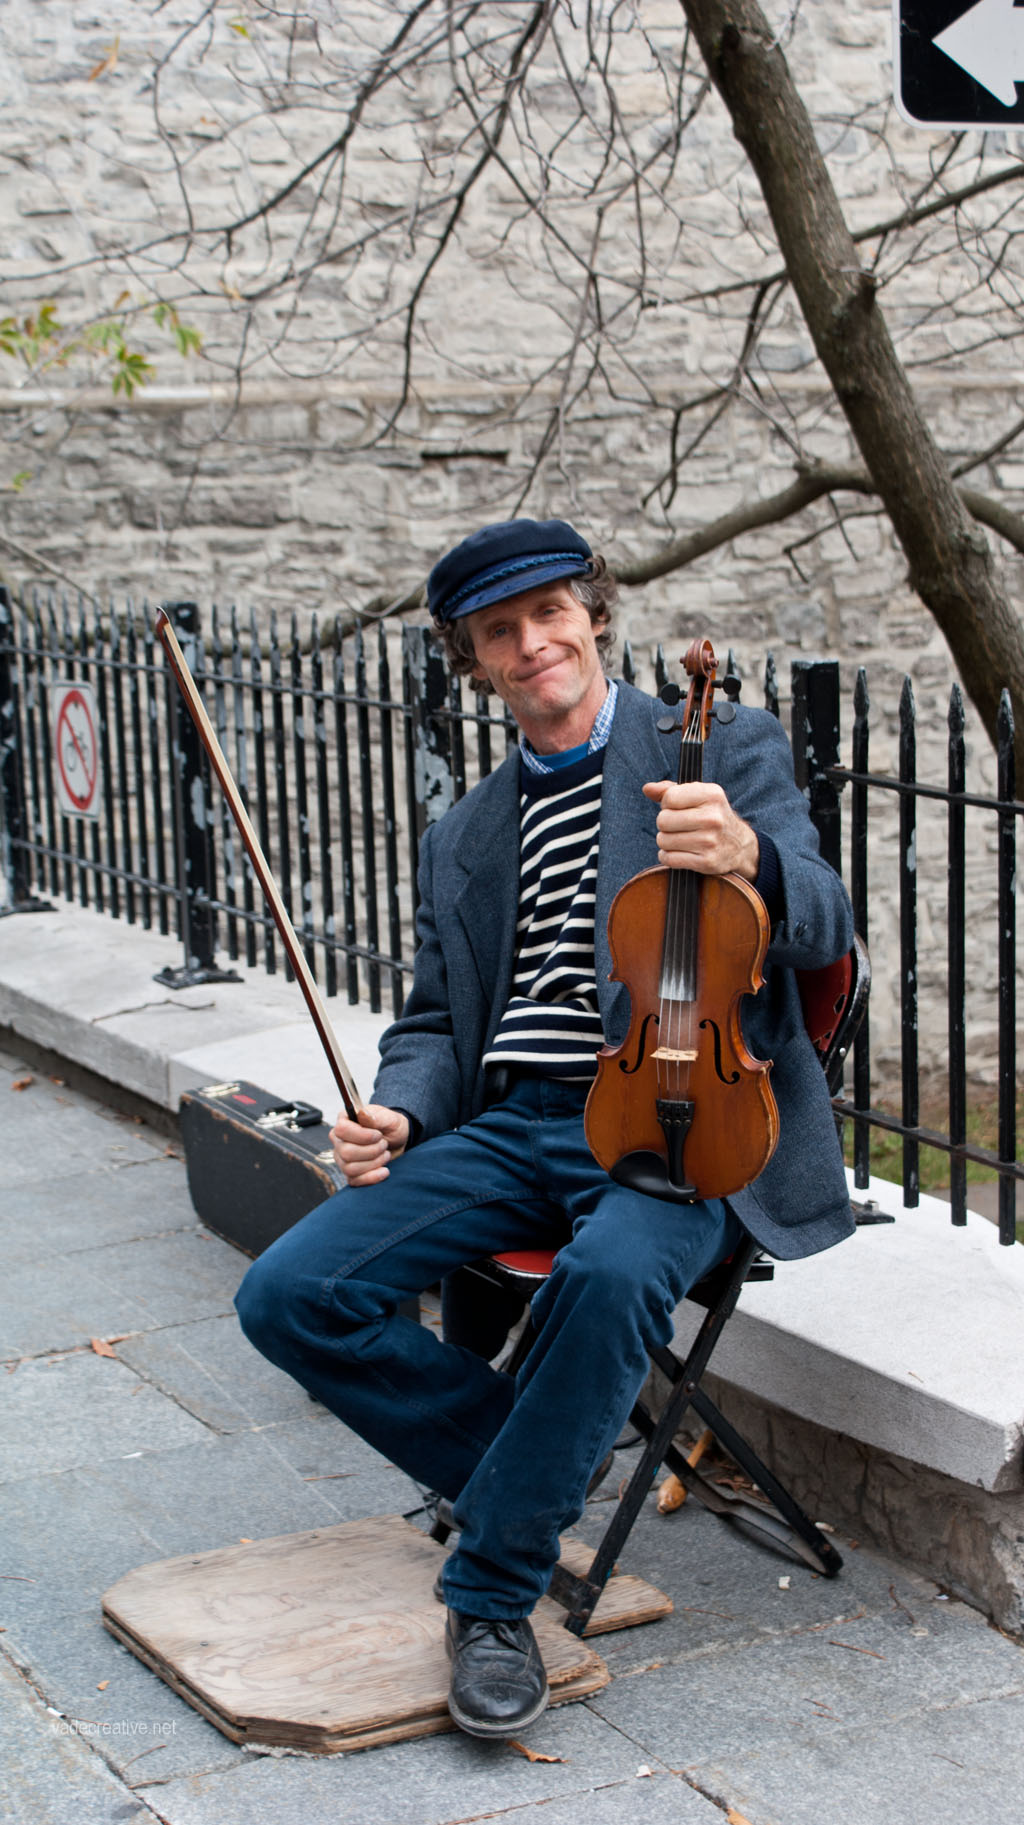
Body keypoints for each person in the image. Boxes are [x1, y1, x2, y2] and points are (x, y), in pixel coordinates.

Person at [235, 517, 855, 1740]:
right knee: (287, 1293)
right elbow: (428, 1023)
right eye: (498, 634)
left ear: (592, 614)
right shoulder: (464, 832)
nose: (531, 647)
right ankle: (534, 1468)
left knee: (613, 1269)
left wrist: (750, 859)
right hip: (507, 1124)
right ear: (474, 660)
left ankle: (490, 1589)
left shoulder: (713, 745)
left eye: (547, 616)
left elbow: (826, 924)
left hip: (676, 1116)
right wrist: (398, 1106)